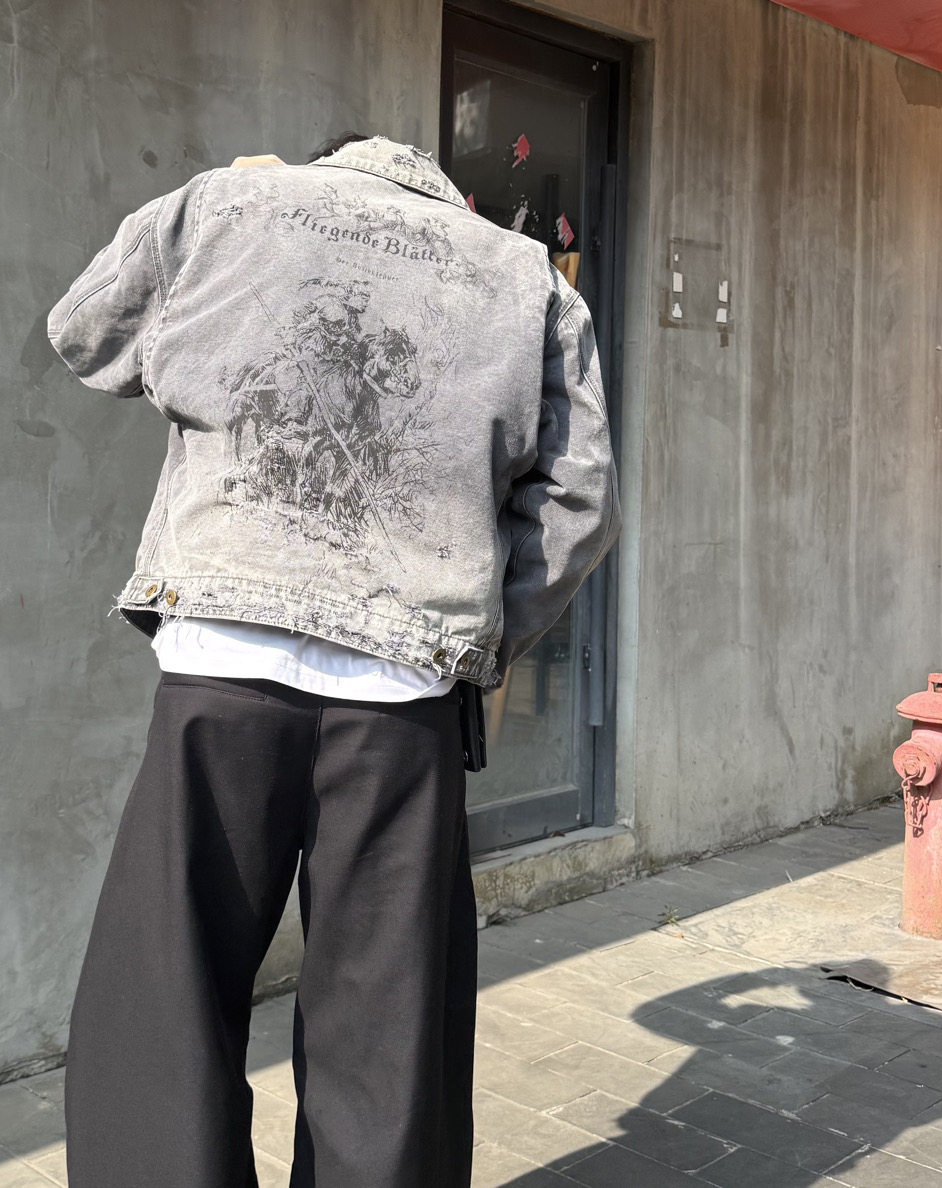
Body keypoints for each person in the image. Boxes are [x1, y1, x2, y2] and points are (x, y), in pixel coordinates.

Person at [46, 131, 620, 1187]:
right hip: (402, 697)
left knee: (162, 1005)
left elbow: (86, 331)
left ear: (322, 164)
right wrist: (471, 642)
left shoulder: (227, 210)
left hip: (221, 668)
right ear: (446, 191)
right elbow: (579, 506)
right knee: (387, 1035)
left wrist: (218, 199)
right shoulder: (525, 278)